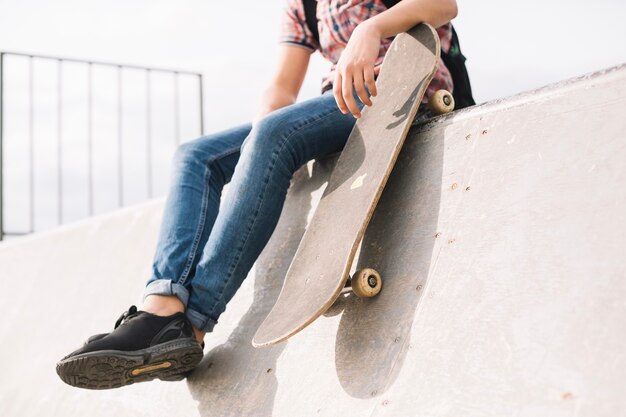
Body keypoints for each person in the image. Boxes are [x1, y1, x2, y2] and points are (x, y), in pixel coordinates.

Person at [56, 0, 458, 389]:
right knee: (196, 157)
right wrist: (256, 146)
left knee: (272, 136)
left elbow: (444, 5)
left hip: (401, 91)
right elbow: (282, 88)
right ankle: (163, 304)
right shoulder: (304, 5)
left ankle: (191, 323)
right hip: (335, 103)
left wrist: (372, 29)